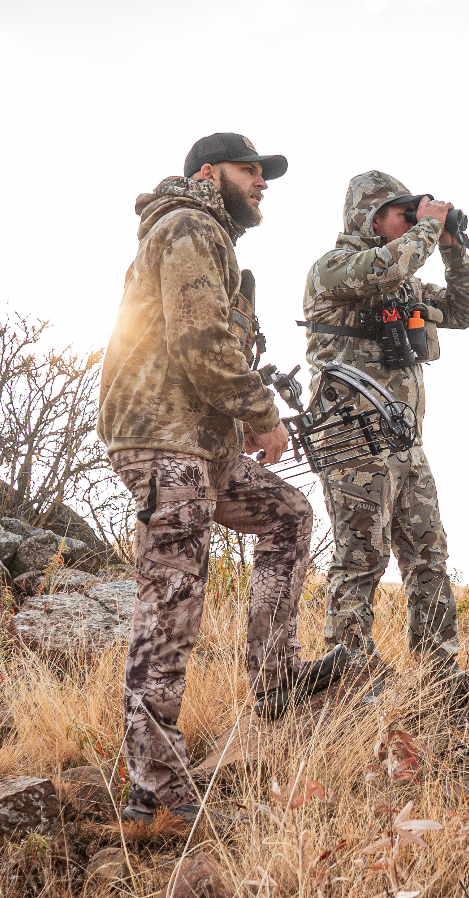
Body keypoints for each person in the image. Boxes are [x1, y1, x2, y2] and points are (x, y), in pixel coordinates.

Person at [97, 133, 346, 826]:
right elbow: (199, 340)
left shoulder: (216, 242)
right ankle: (157, 796)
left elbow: (212, 348)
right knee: (171, 603)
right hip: (162, 443)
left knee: (289, 514)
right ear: (210, 174)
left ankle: (276, 678)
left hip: (199, 447)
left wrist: (244, 425)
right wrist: (262, 416)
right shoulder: (188, 225)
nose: (261, 182)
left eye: (264, 174)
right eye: (250, 171)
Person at [300, 170, 469, 698]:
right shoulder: (335, 271)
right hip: (352, 440)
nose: (412, 220)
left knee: (428, 555)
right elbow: (384, 270)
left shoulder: (403, 281)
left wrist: (453, 248)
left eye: (415, 213)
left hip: (405, 442)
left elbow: (464, 311)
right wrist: (429, 229)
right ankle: (349, 678)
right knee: (361, 557)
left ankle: (440, 678)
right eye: (402, 211)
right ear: (369, 216)